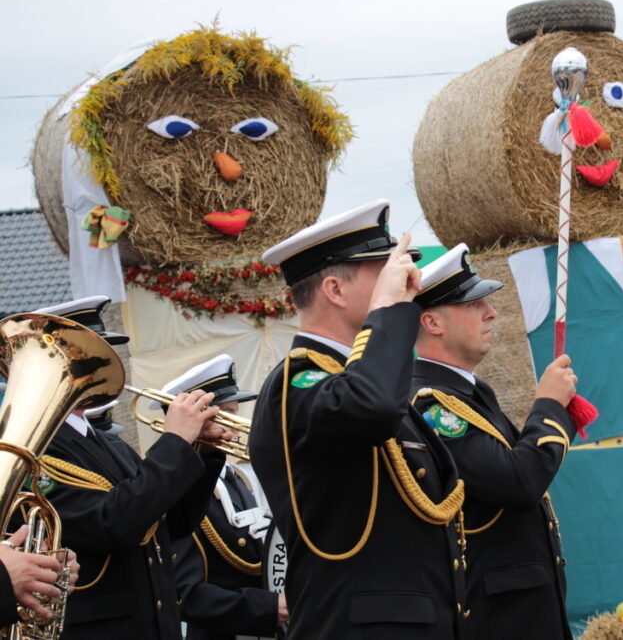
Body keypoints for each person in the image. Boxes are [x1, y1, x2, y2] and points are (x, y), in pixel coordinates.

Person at [249, 199, 467, 640]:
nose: (407, 283)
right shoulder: (297, 381)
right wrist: (389, 313)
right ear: (334, 290)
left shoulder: (358, 379)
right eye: (383, 273)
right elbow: (373, 408)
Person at [33, 295, 235, 639]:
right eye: (94, 357)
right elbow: (113, 524)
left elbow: (172, 521)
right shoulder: (37, 448)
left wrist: (201, 450)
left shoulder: (107, 442)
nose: (107, 367)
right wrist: (174, 442)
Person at [410, 244, 585, 639]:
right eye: (473, 305)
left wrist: (554, 410)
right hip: (496, 615)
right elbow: (518, 482)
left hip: (521, 606)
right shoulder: (432, 404)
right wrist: (548, 406)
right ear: (433, 323)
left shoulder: (469, 392)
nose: (491, 312)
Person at [165, 355, 285, 640]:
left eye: (235, 412)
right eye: (225, 415)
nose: (236, 426)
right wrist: (267, 608)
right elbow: (183, 592)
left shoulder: (235, 477)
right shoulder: (174, 489)